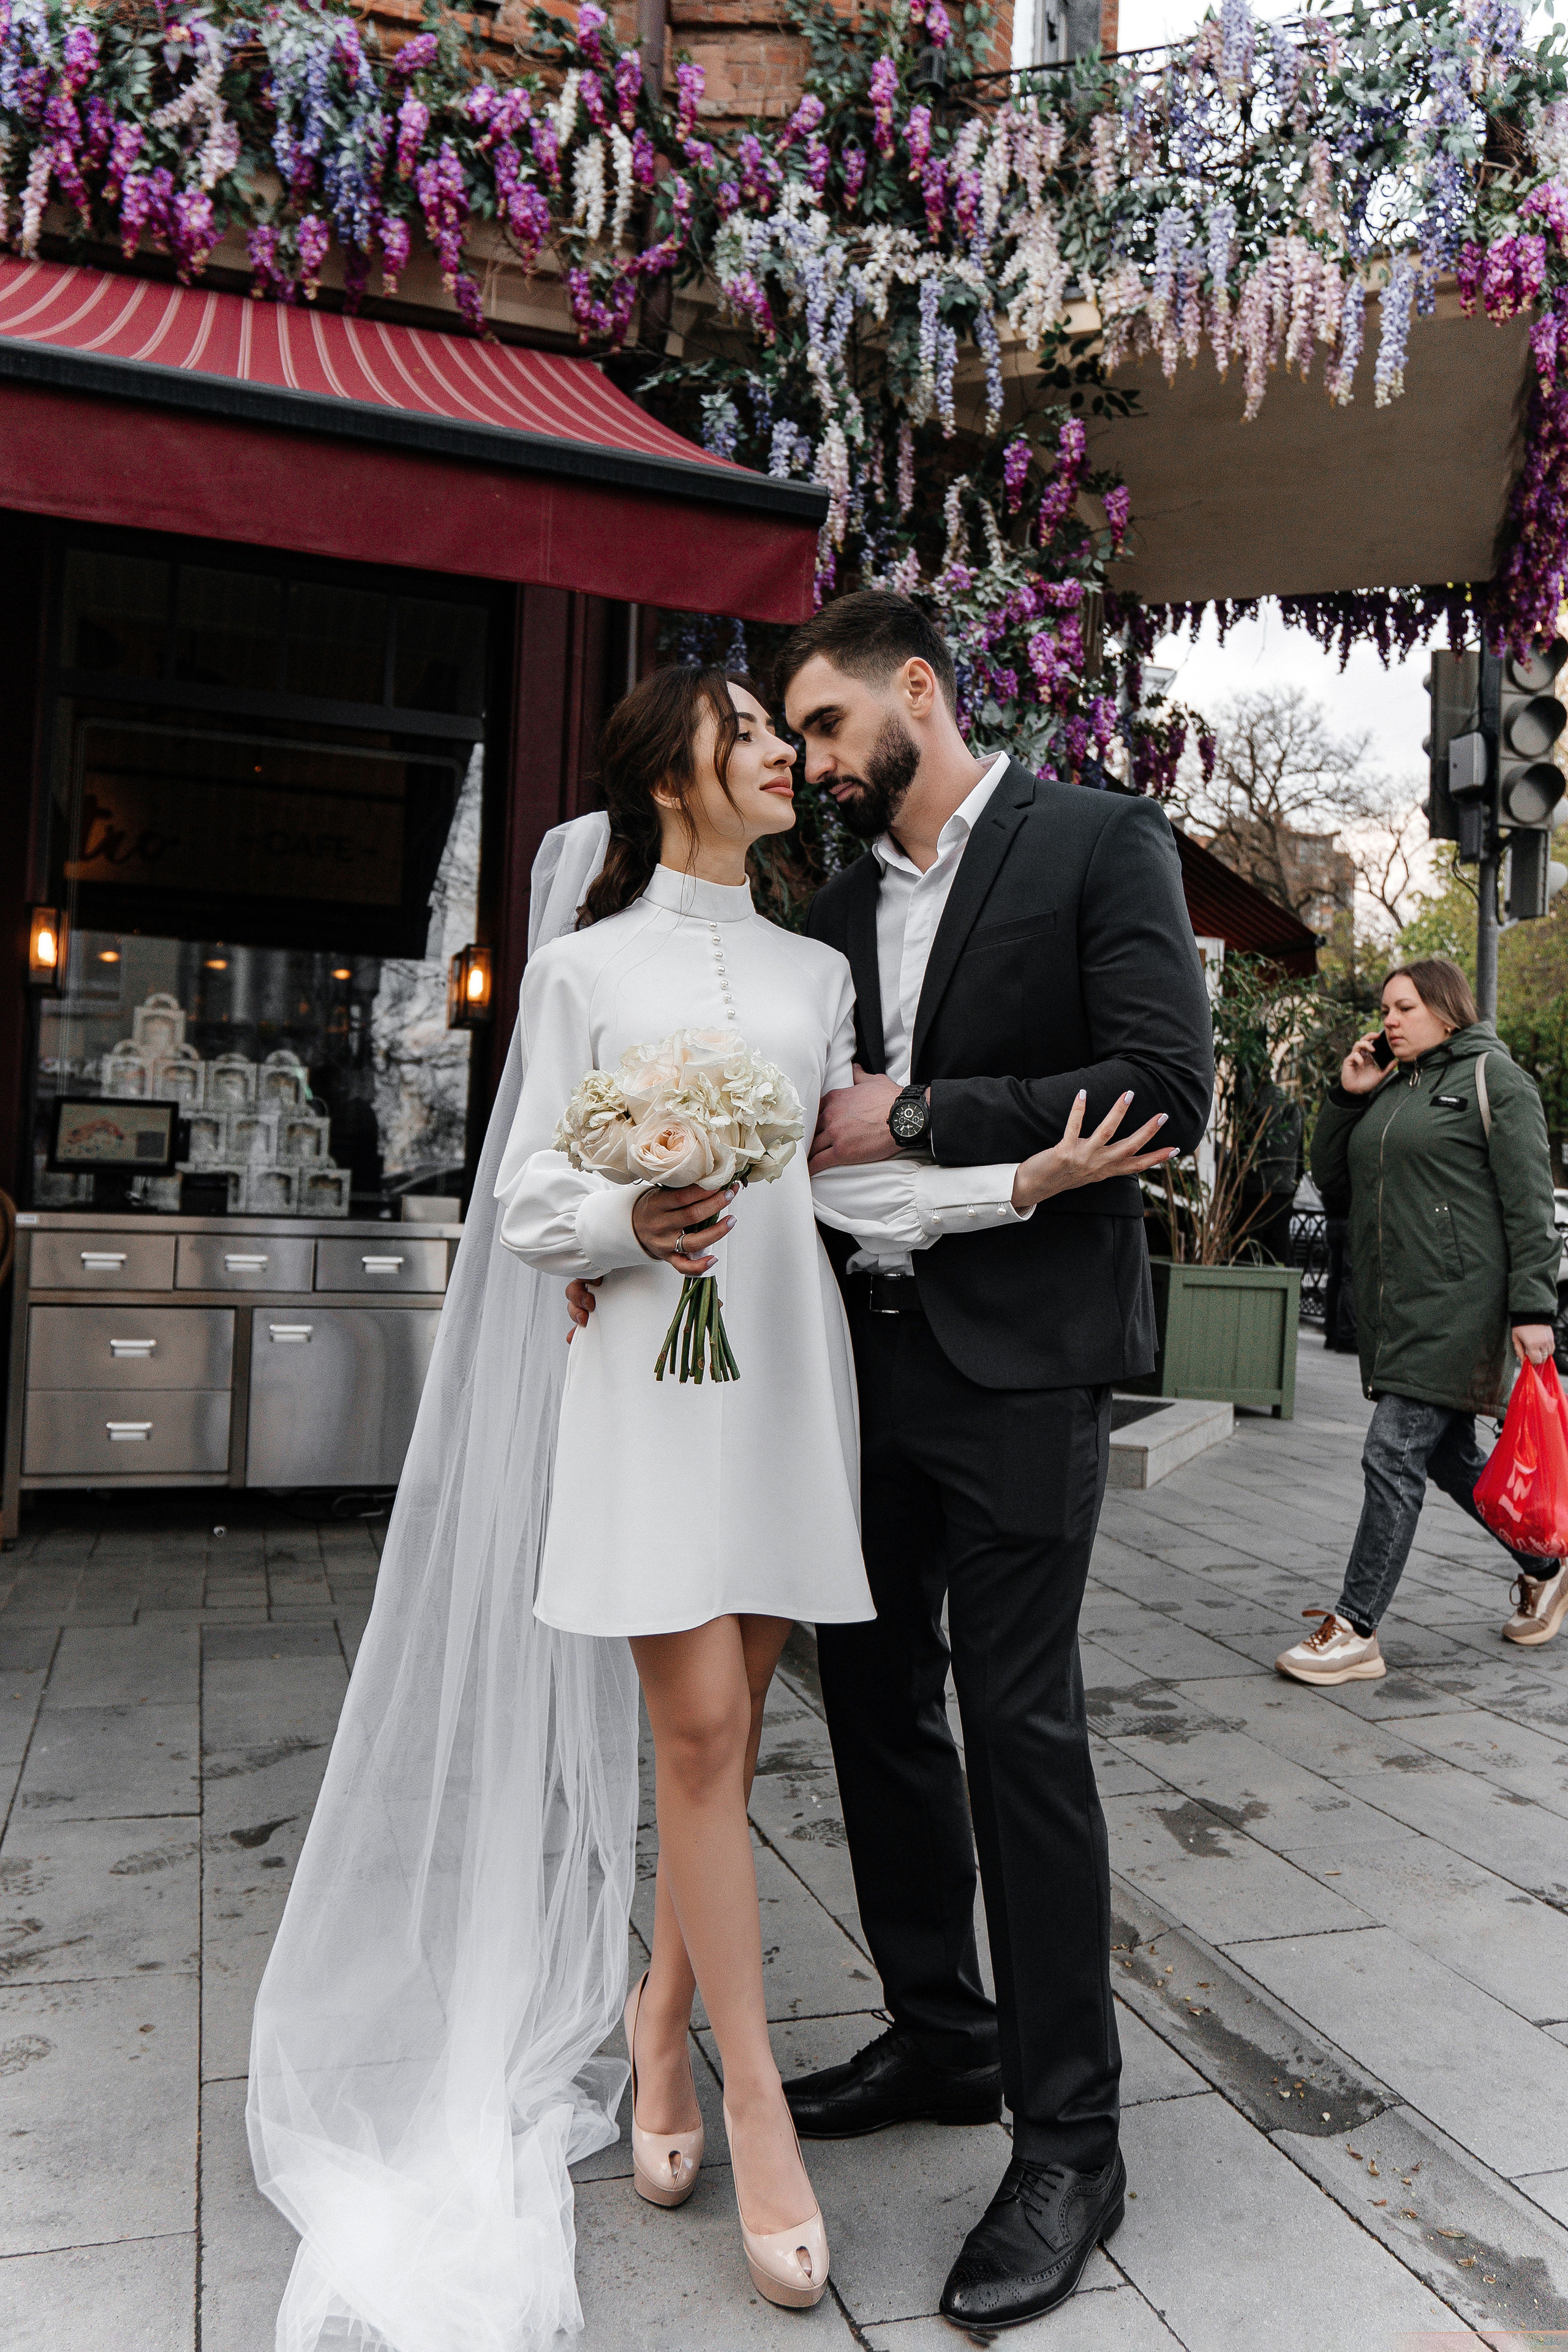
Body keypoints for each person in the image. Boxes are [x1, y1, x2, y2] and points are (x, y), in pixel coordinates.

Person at [251, 663, 1175, 2351]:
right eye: (753, 731)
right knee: (693, 1741)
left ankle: (660, 2013)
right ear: (669, 767)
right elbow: (530, 1189)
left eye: (793, 729)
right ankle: (753, 2105)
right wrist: (629, 1219)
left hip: (790, 1380)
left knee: (731, 1738)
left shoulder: (819, 964)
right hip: (650, 1391)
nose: (785, 756)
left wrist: (1017, 1179)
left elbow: (850, 1171)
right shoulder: (587, 969)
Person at [771, 590, 1215, 2332]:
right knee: (871, 1703)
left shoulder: (1100, 838)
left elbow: (1161, 1085)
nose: (809, 767)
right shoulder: (830, 905)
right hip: (855, 1355)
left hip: (1025, 1362)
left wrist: (936, 1113)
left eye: (822, 729)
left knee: (1020, 1725)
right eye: (797, 744)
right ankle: (944, 2038)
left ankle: (1072, 2141)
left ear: (920, 695)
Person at [1276, 957, 1567, 1689]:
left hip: (1460, 1307)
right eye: (1385, 1009)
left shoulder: (1494, 1082)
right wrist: (1346, 1100)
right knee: (1445, 1459)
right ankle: (1547, 1565)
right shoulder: (1393, 1087)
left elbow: (1530, 1206)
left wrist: (1534, 1308)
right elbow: (1334, 1183)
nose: (1389, 1021)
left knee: (1392, 1454)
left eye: (1403, 1007)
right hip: (1396, 1309)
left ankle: (1356, 1627)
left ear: (1445, 1008)